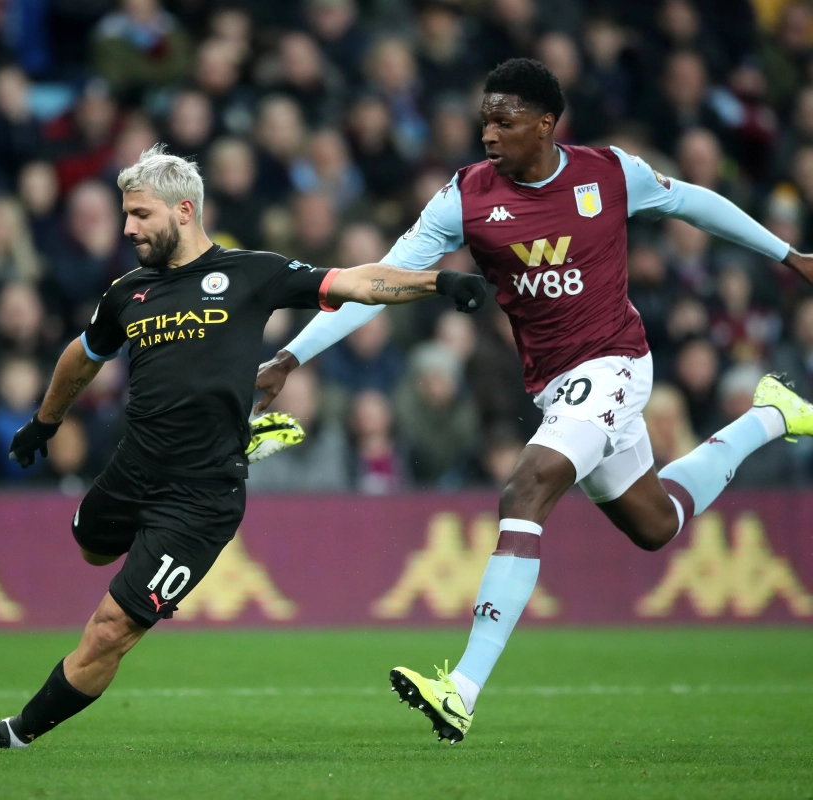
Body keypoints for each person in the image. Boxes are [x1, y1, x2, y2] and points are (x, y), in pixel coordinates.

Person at [254, 58, 813, 745]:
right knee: (655, 524)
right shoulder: (464, 198)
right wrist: (290, 355)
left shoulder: (609, 173)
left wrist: (789, 254)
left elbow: (694, 200)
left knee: (524, 489)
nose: (488, 133)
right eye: (484, 119)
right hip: (555, 386)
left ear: (547, 125)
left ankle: (460, 689)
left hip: (615, 364)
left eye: (505, 121)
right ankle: (770, 415)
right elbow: (378, 282)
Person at [0, 143, 487, 750]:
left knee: (112, 628)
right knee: (90, 547)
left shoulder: (252, 274)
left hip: (199, 501)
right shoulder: (127, 292)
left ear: (184, 210)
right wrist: (45, 421)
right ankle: (237, 432)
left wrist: (439, 281)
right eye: (126, 214)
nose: (128, 227)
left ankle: (13, 733)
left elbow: (355, 282)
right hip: (132, 469)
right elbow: (82, 356)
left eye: (141, 215)